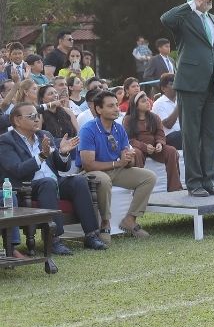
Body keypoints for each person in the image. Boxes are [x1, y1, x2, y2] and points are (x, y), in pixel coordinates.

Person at [0, 100, 107, 252]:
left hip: (53, 181)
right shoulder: (6, 141)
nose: (37, 119)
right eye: (31, 116)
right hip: (27, 186)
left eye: (37, 115)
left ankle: (91, 235)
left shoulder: (44, 135)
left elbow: (63, 167)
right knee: (47, 183)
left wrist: (63, 153)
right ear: (17, 120)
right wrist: (41, 156)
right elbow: (18, 170)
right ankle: (54, 239)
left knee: (78, 181)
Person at [159, 0, 214, 197]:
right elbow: (165, 19)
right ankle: (194, 182)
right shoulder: (184, 18)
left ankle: (209, 180)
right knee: (191, 135)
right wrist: (191, 4)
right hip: (190, 84)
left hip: (213, 85)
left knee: (210, 135)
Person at [77, 89, 157, 238]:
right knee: (104, 180)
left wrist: (128, 159)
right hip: (93, 172)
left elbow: (126, 159)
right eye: (110, 106)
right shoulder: (88, 129)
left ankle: (130, 220)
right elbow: (88, 165)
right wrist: (118, 163)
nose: (116, 109)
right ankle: (105, 223)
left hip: (116, 169)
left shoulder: (118, 128)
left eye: (116, 105)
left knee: (149, 177)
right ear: (99, 109)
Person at [123, 91, 182, 191]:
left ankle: (175, 187)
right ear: (136, 106)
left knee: (171, 151)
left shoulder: (154, 117)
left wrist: (159, 143)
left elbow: (160, 133)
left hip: (154, 148)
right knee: (136, 153)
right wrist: (144, 147)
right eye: (143, 101)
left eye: (147, 100)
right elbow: (129, 139)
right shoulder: (128, 119)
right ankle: (139, 189)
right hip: (139, 148)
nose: (148, 103)